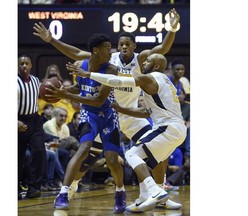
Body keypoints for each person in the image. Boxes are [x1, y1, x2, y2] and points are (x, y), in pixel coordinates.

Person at [33, 7, 182, 211]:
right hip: (106, 111)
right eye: (120, 44)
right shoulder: (108, 59)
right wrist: (51, 40)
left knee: (158, 153)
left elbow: (162, 50)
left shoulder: (141, 59)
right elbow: (76, 52)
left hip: (129, 114)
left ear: (134, 46)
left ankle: (157, 194)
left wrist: (172, 28)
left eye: (127, 44)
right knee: (89, 159)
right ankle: (73, 185)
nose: (122, 47)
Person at [67, 53, 187, 212]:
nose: (144, 62)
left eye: (149, 61)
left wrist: (88, 74)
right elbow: (146, 111)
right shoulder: (166, 81)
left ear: (157, 66)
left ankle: (156, 191)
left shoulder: (149, 78)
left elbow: (118, 81)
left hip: (167, 128)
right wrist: (121, 109)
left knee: (132, 154)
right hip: (176, 129)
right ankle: (144, 199)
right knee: (151, 158)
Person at [44, 33, 126, 213]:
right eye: (106, 49)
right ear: (95, 51)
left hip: (107, 114)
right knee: (84, 148)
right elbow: (79, 88)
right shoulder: (81, 65)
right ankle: (63, 193)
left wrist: (68, 95)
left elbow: (98, 99)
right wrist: (63, 91)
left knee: (112, 161)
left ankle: (120, 192)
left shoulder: (111, 70)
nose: (110, 52)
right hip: (89, 114)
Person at [18, 54, 47, 199]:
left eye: (26, 63)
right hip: (18, 120)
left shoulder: (36, 80)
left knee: (39, 152)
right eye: (21, 63)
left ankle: (34, 187)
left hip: (35, 120)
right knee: (18, 156)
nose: (24, 66)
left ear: (31, 66)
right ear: (17, 66)